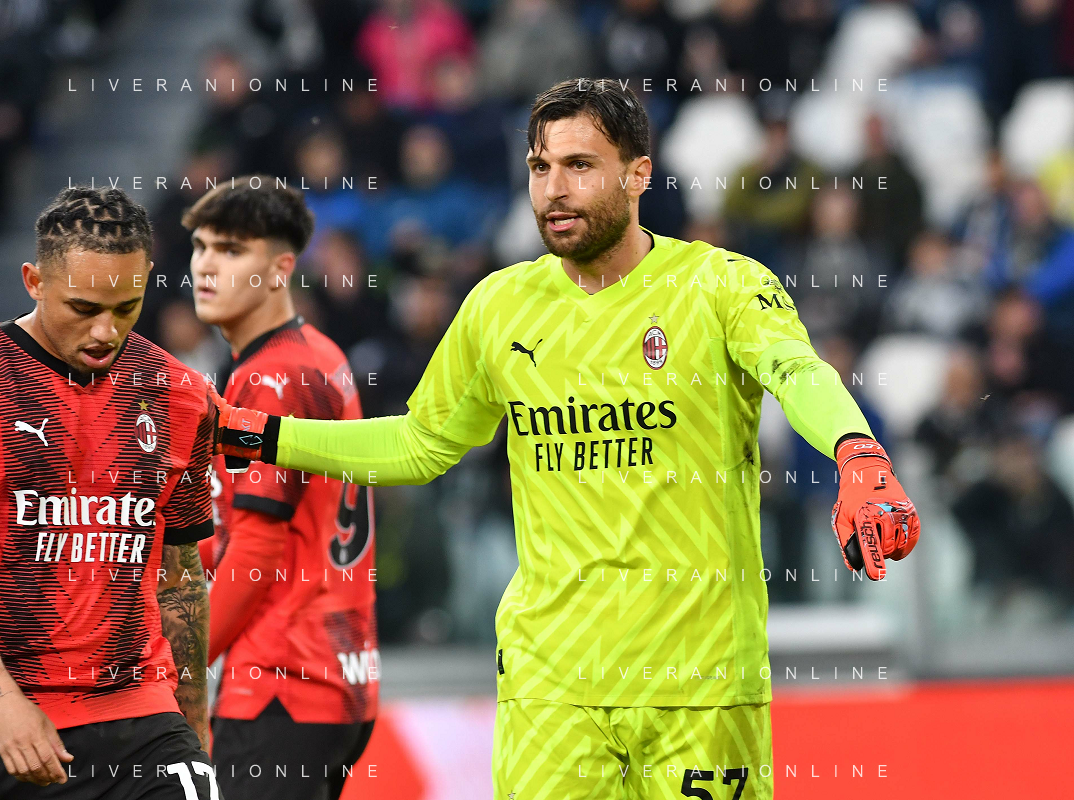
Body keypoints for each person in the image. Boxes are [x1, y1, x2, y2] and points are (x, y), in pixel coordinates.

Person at [218, 79, 923, 799]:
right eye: (540, 167)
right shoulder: (498, 307)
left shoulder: (719, 285)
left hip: (700, 683)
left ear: (638, 175)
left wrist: (856, 453)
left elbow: (799, 373)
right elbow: (419, 444)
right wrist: (263, 436)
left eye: (579, 166)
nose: (554, 189)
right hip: (550, 687)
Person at [0, 187, 221, 799]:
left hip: (139, 713)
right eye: (83, 307)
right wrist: (3, 701)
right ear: (33, 281)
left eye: (127, 307)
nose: (105, 330)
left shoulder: (178, 393)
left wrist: (193, 726)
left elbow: (180, 579)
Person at [185, 179, 378, 799]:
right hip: (336, 675)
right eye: (200, 246)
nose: (206, 265)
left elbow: (258, 550)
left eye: (231, 250)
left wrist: (180, 667)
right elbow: (247, 529)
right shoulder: (315, 353)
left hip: (282, 680)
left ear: (281, 268)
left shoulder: (274, 376)